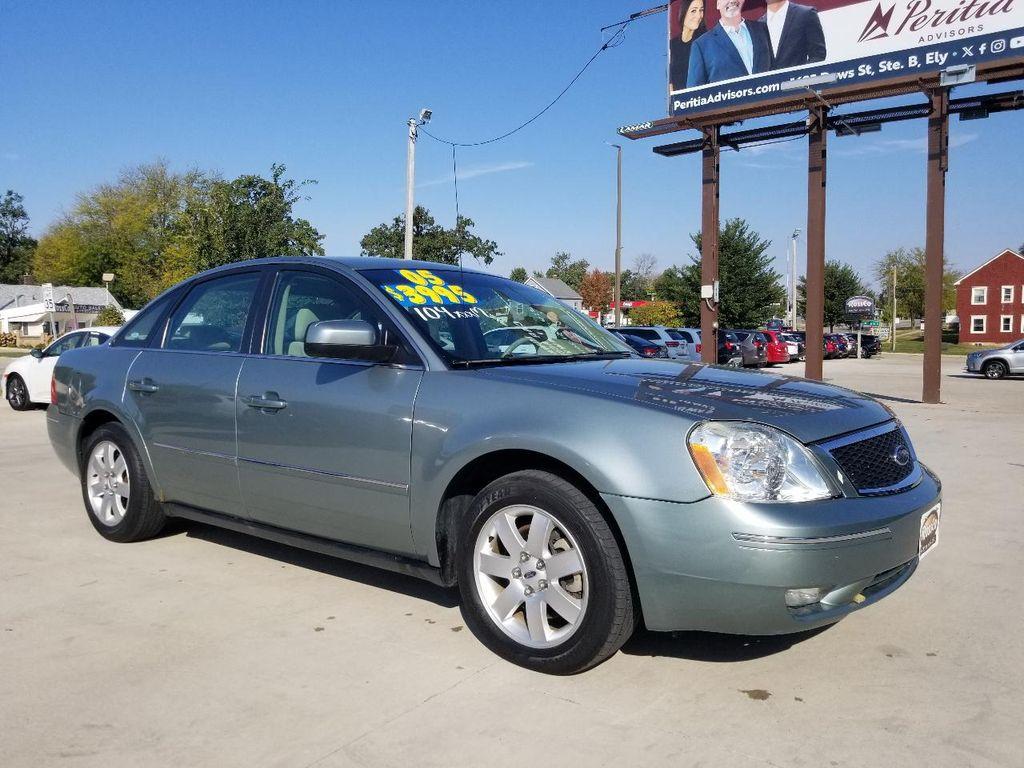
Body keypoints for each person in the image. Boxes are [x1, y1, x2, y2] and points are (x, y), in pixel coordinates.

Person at [686, 0, 773, 88]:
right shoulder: (701, 45)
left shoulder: (762, 29)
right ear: (718, 4)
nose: (732, 1)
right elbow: (693, 94)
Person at [760, 0, 826, 70]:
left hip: (800, 79)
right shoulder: (758, 26)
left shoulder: (806, 14)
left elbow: (818, 54)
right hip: (769, 80)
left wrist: (803, 77)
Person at [669, 0, 707, 91]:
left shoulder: (704, 41)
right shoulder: (672, 45)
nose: (698, 16)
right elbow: (669, 79)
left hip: (699, 99)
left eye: (701, 10)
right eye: (693, 11)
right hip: (678, 102)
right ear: (683, 12)